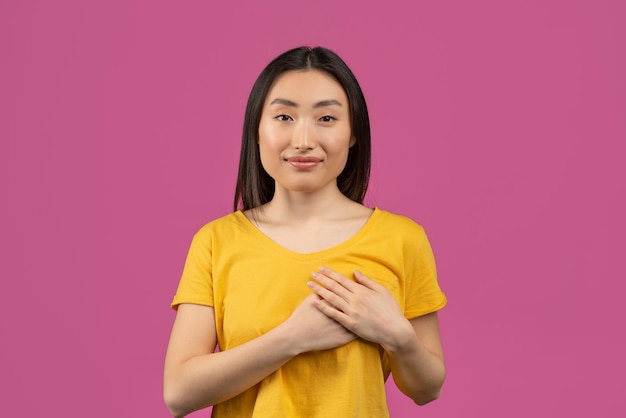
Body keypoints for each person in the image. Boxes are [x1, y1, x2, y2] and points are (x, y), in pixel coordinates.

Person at [163, 46, 447, 418]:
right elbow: (179, 393)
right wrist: (292, 338)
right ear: (257, 131)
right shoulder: (216, 242)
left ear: (353, 134)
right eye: (284, 116)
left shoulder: (402, 239)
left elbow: (427, 389)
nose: (303, 139)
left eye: (326, 118)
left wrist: (398, 335)